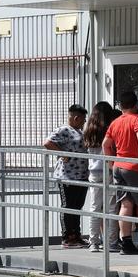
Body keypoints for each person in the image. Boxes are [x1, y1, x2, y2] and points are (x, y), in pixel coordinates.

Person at [104, 91, 138, 255]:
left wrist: (111, 163)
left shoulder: (115, 122)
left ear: (120, 106)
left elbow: (106, 144)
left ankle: (126, 243)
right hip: (134, 167)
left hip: (119, 166)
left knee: (126, 205)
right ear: (136, 105)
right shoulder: (137, 119)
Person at [43, 104, 91, 248]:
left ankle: (76, 235)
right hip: (68, 176)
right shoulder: (64, 130)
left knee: (77, 206)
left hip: (81, 175)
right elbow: (47, 142)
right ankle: (67, 237)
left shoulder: (79, 131)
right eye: (83, 119)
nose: (84, 122)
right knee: (68, 206)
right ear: (76, 118)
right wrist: (63, 154)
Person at [82, 100, 119, 252]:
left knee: (95, 207)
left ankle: (93, 242)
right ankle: (111, 242)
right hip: (109, 169)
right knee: (111, 208)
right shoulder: (111, 128)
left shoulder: (89, 130)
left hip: (94, 171)